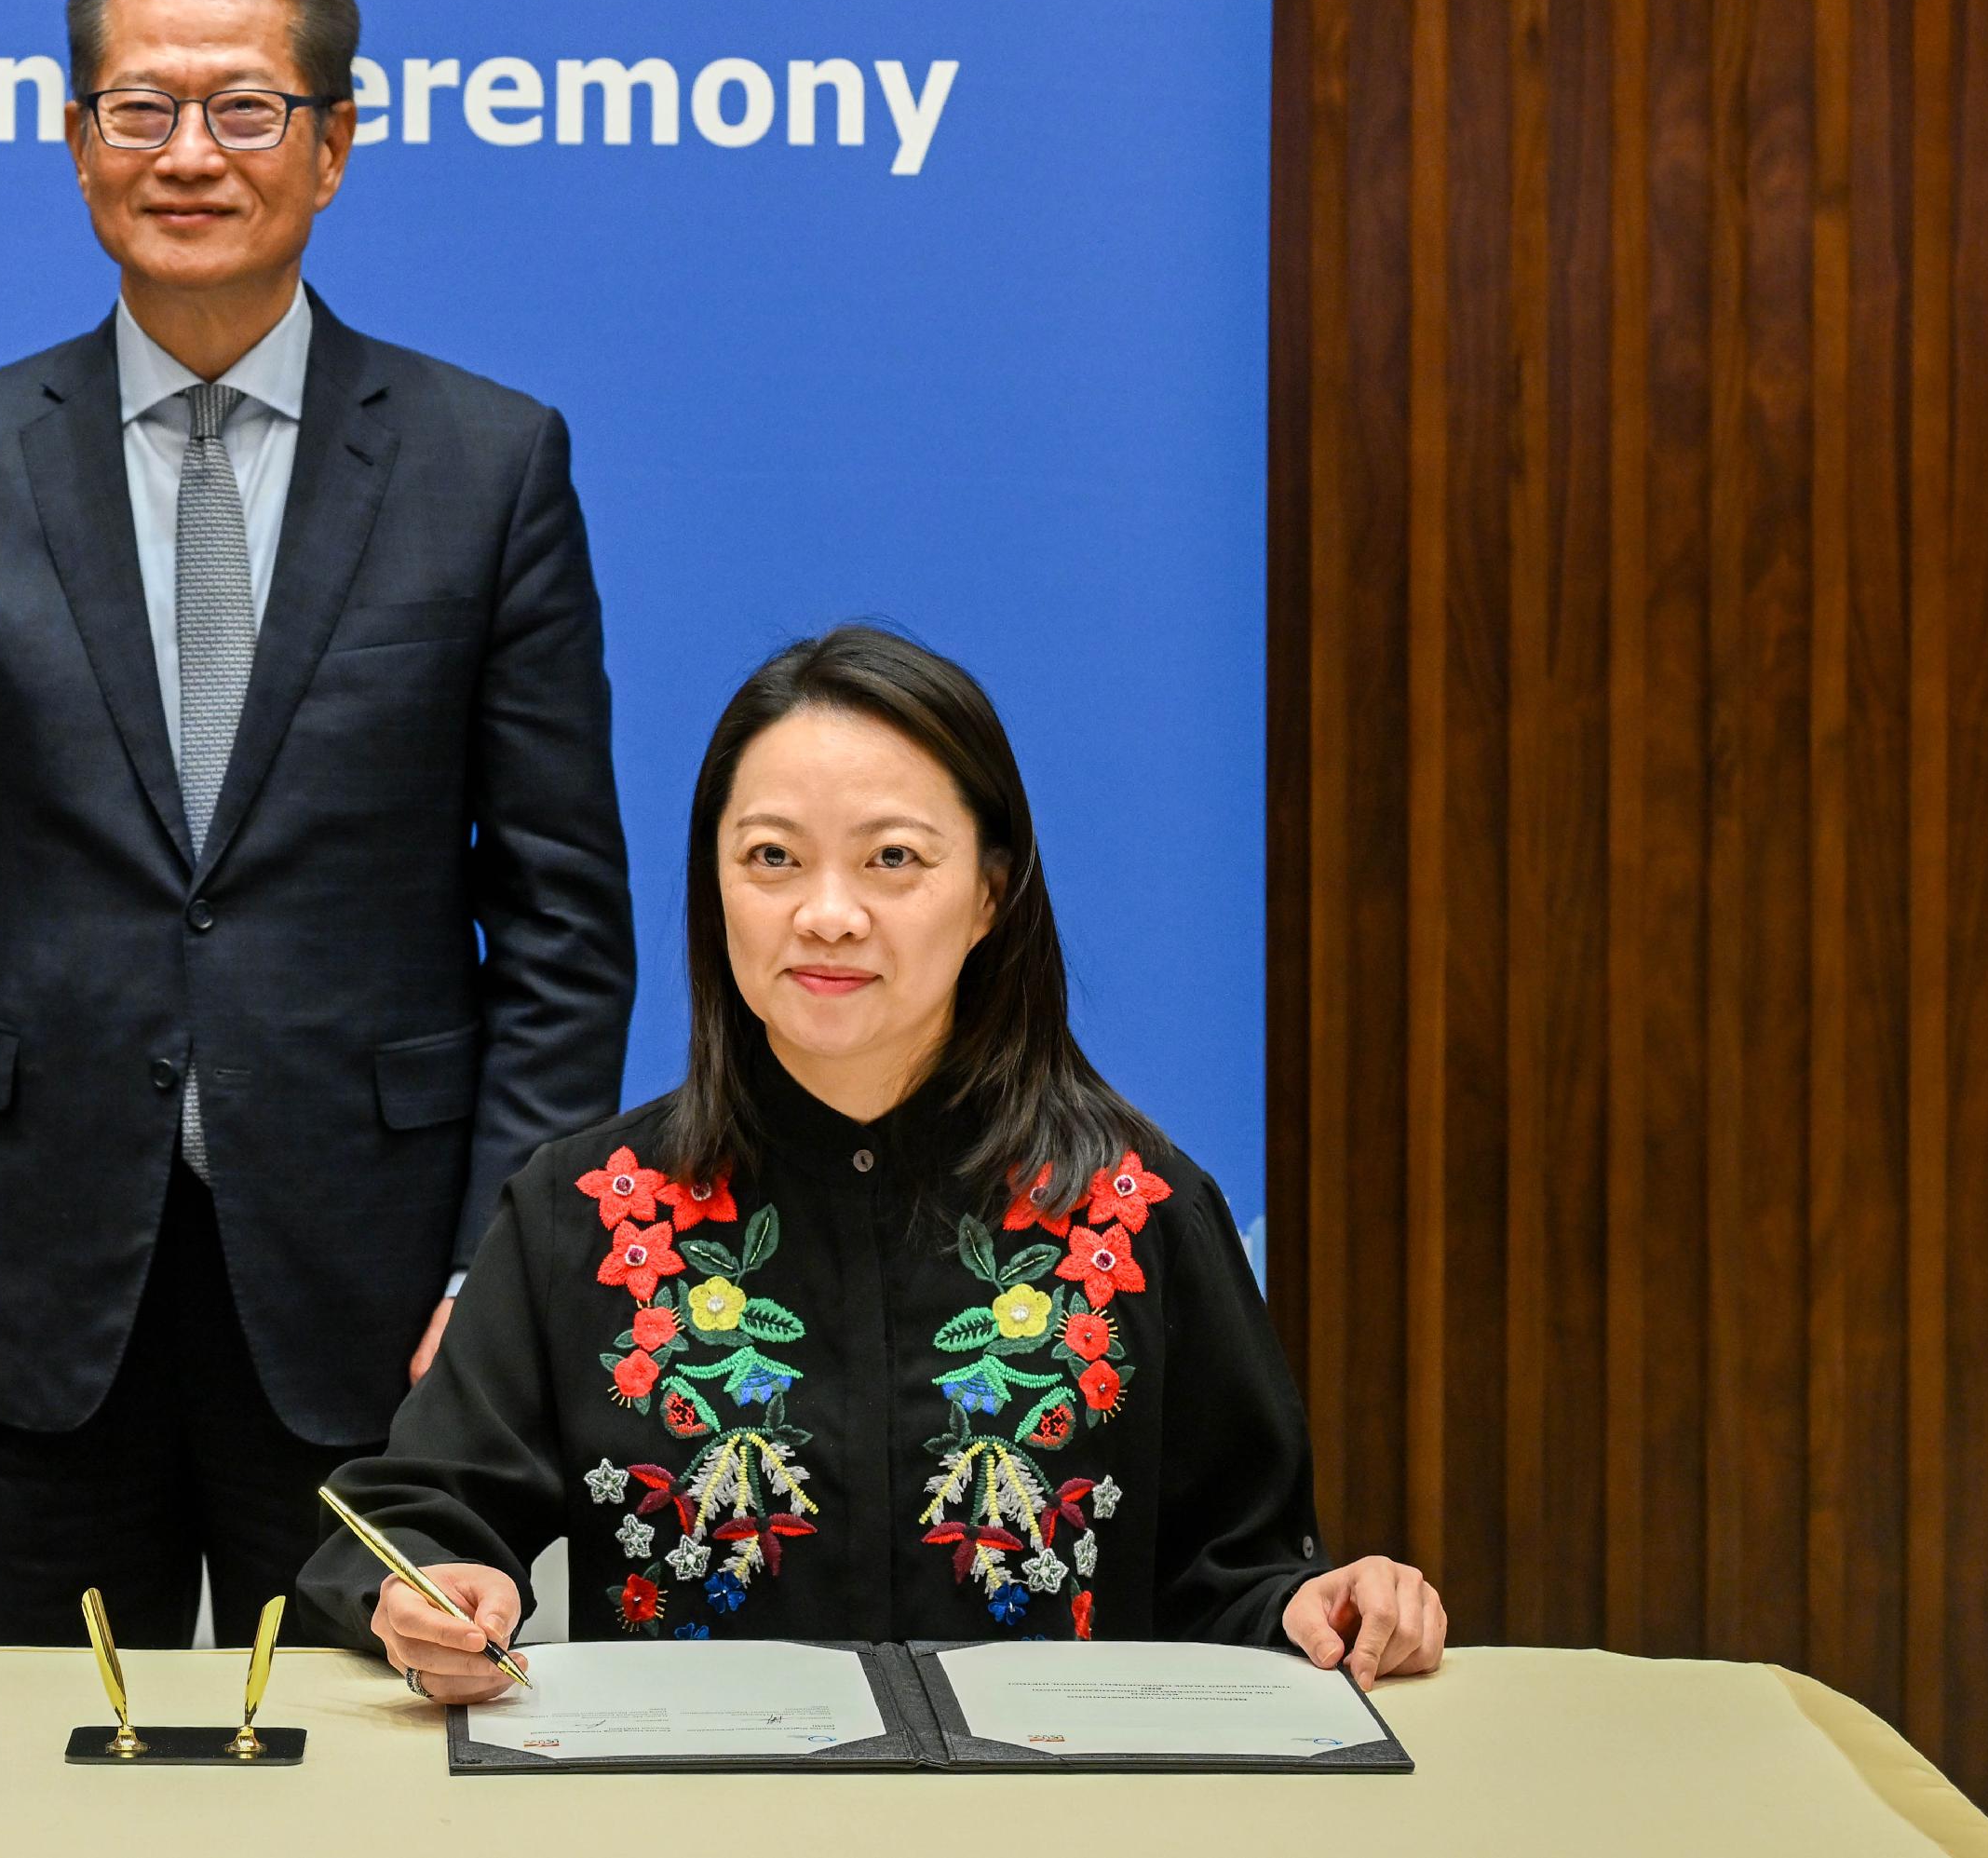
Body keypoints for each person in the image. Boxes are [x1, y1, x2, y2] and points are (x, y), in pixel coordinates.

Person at [0, 0, 635, 1647]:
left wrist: (497, 1272)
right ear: (76, 138)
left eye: (244, 110)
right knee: (8, 1780)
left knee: (360, 1770)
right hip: (22, 1303)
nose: (187, 154)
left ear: (334, 143)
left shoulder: (491, 466)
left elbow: (560, 921)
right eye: (138, 107)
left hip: (376, 1288)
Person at [299, 625, 1446, 1693]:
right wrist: (422, 1594)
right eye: (772, 858)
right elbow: (412, 1516)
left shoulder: (1137, 1210)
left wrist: (1324, 1603)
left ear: (991, 890)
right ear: (714, 885)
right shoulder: (589, 1210)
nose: (828, 913)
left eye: (893, 858)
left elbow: (1236, 1572)